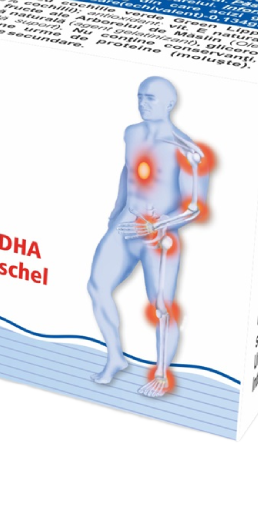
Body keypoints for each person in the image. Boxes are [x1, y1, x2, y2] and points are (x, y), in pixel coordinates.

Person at [88, 76, 206, 396]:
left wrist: (160, 224)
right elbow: (128, 170)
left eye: (150, 98)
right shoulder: (131, 133)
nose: (142, 103)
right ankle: (115, 357)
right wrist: (117, 208)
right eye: (140, 96)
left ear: (170, 104)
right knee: (97, 286)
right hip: (126, 222)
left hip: (159, 234)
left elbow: (194, 208)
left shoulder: (185, 148)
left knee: (162, 306)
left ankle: (162, 376)